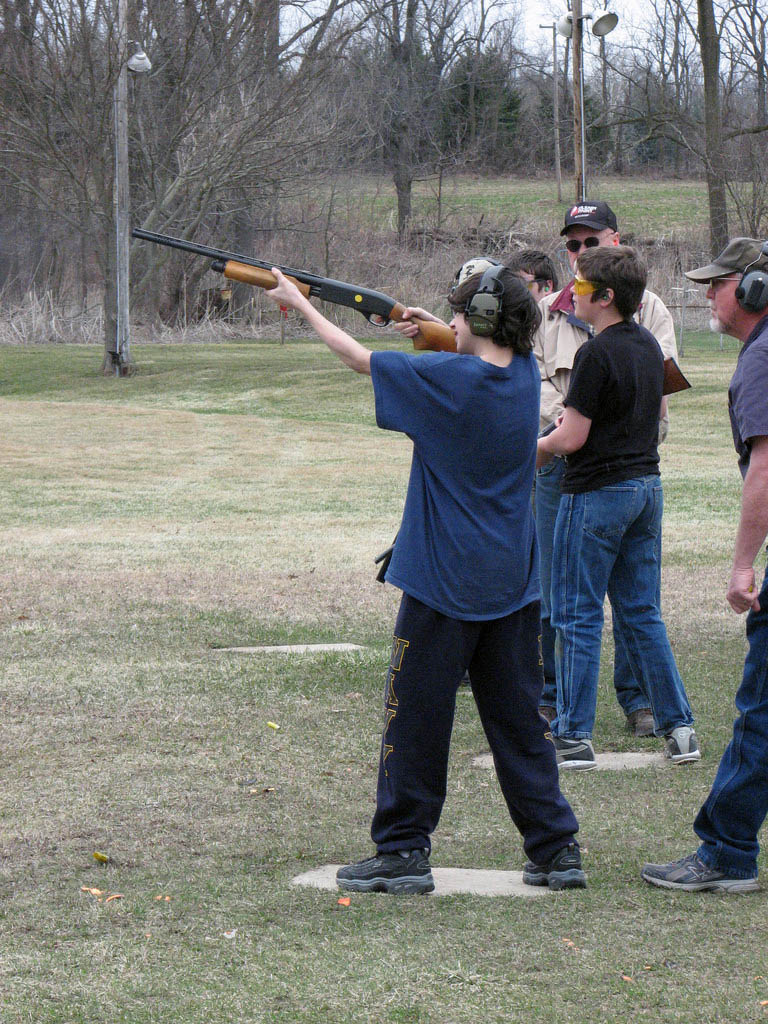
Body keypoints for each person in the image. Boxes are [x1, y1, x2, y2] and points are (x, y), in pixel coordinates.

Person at [265, 260, 585, 894]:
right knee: (519, 720)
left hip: (443, 582)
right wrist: (438, 326)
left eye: (460, 314)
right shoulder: (523, 375)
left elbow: (361, 359)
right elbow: (476, 350)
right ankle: (556, 848)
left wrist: (299, 305)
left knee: (416, 718)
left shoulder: (449, 380)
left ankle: (404, 849)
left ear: (478, 322)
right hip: (513, 582)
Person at [537, 245, 699, 771]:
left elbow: (571, 437)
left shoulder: (595, 354)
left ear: (605, 298)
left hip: (595, 496)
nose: (572, 295)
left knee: (577, 615)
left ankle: (572, 736)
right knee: (641, 613)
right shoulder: (650, 347)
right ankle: (681, 731)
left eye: (580, 288)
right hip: (645, 492)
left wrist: (527, 450)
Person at [642, 237, 768, 892]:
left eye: (718, 285)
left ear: (752, 290)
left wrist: (742, 565)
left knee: (762, 712)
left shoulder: (763, 358)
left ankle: (725, 853)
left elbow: (766, 471)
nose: (707, 296)